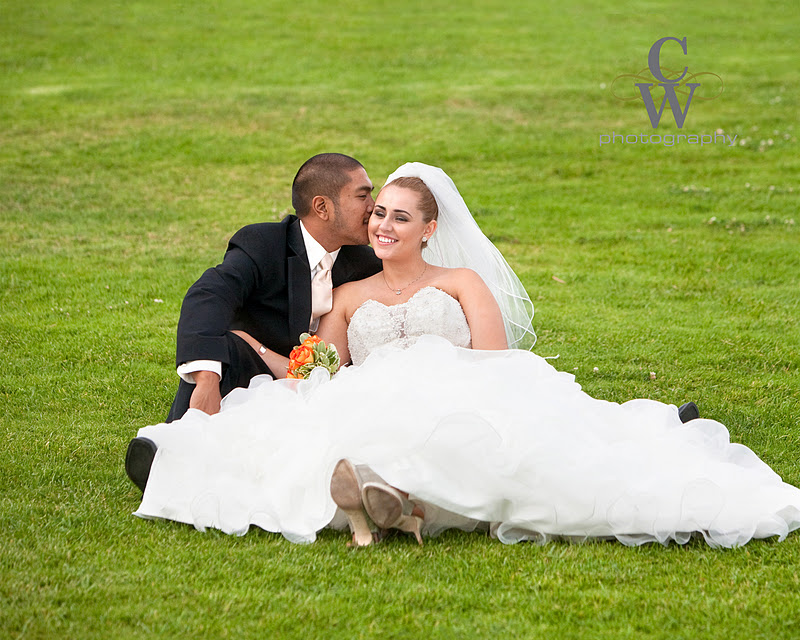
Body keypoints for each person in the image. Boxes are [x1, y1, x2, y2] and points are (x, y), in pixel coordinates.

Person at [131, 163, 800, 549]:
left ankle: (394, 499)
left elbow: (496, 362)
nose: (381, 224)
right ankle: (384, 496)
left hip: (461, 384)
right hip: (374, 389)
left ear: (430, 228)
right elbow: (322, 372)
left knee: (486, 439)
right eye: (376, 211)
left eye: (397, 215)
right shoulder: (346, 290)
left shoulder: (459, 281)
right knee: (326, 426)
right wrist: (258, 353)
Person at [124, 153, 382, 492]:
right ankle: (170, 447)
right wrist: (205, 379)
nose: (374, 206)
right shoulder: (263, 244)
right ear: (322, 207)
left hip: (322, 386)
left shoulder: (367, 261)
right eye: (363, 195)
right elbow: (209, 295)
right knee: (226, 348)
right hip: (251, 372)